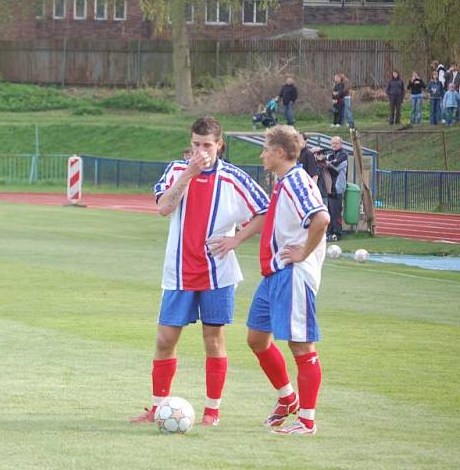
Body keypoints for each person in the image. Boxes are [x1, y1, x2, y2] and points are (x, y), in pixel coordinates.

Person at [131, 117, 270, 427]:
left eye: (207, 145)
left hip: (217, 274)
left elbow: (265, 211)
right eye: (196, 144)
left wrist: (236, 239)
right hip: (178, 272)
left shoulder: (234, 179)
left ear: (219, 145)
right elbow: (163, 207)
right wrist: (189, 174)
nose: (201, 151)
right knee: (165, 340)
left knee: (213, 340)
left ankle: (212, 411)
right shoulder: (177, 170)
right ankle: (157, 407)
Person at [247, 125, 329, 436]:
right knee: (256, 339)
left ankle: (307, 420)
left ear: (280, 153)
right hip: (274, 274)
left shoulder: (296, 181)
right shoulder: (283, 182)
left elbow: (321, 218)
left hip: (293, 275)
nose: (262, 154)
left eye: (266, 149)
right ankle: (287, 398)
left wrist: (303, 254)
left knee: (301, 346)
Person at [324, 136, 348, 242]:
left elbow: (335, 165)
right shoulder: (330, 155)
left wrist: (327, 163)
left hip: (337, 188)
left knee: (336, 212)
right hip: (329, 187)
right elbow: (326, 166)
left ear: (341, 144)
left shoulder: (343, 154)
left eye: (336, 143)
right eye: (332, 143)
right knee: (328, 211)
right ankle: (329, 232)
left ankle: (338, 233)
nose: (334, 145)